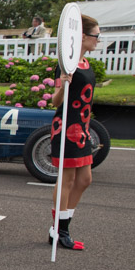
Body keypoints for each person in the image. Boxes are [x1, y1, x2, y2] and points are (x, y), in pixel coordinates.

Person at [48, 14, 100, 251]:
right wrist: (64, 81)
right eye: (95, 36)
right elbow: (55, 101)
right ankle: (59, 230)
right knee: (67, 179)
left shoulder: (87, 64)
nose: (98, 40)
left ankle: (62, 224)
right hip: (66, 128)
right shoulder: (66, 64)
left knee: (85, 179)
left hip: (83, 128)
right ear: (82, 37)